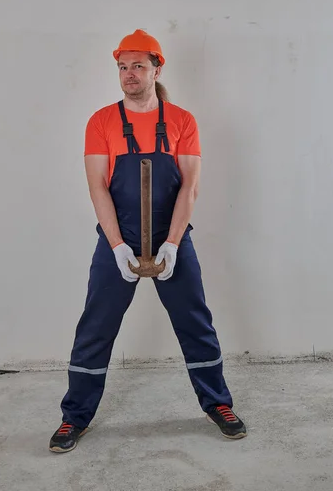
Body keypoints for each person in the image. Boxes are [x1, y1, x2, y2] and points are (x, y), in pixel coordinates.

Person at [49, 29, 247, 453]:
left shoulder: (182, 121)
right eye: (123, 67)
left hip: (170, 237)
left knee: (196, 323)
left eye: (138, 65)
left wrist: (173, 243)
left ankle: (218, 404)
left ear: (157, 68)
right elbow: (98, 188)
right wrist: (117, 245)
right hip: (117, 239)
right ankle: (74, 417)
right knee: (95, 328)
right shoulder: (101, 121)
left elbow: (189, 188)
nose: (129, 74)